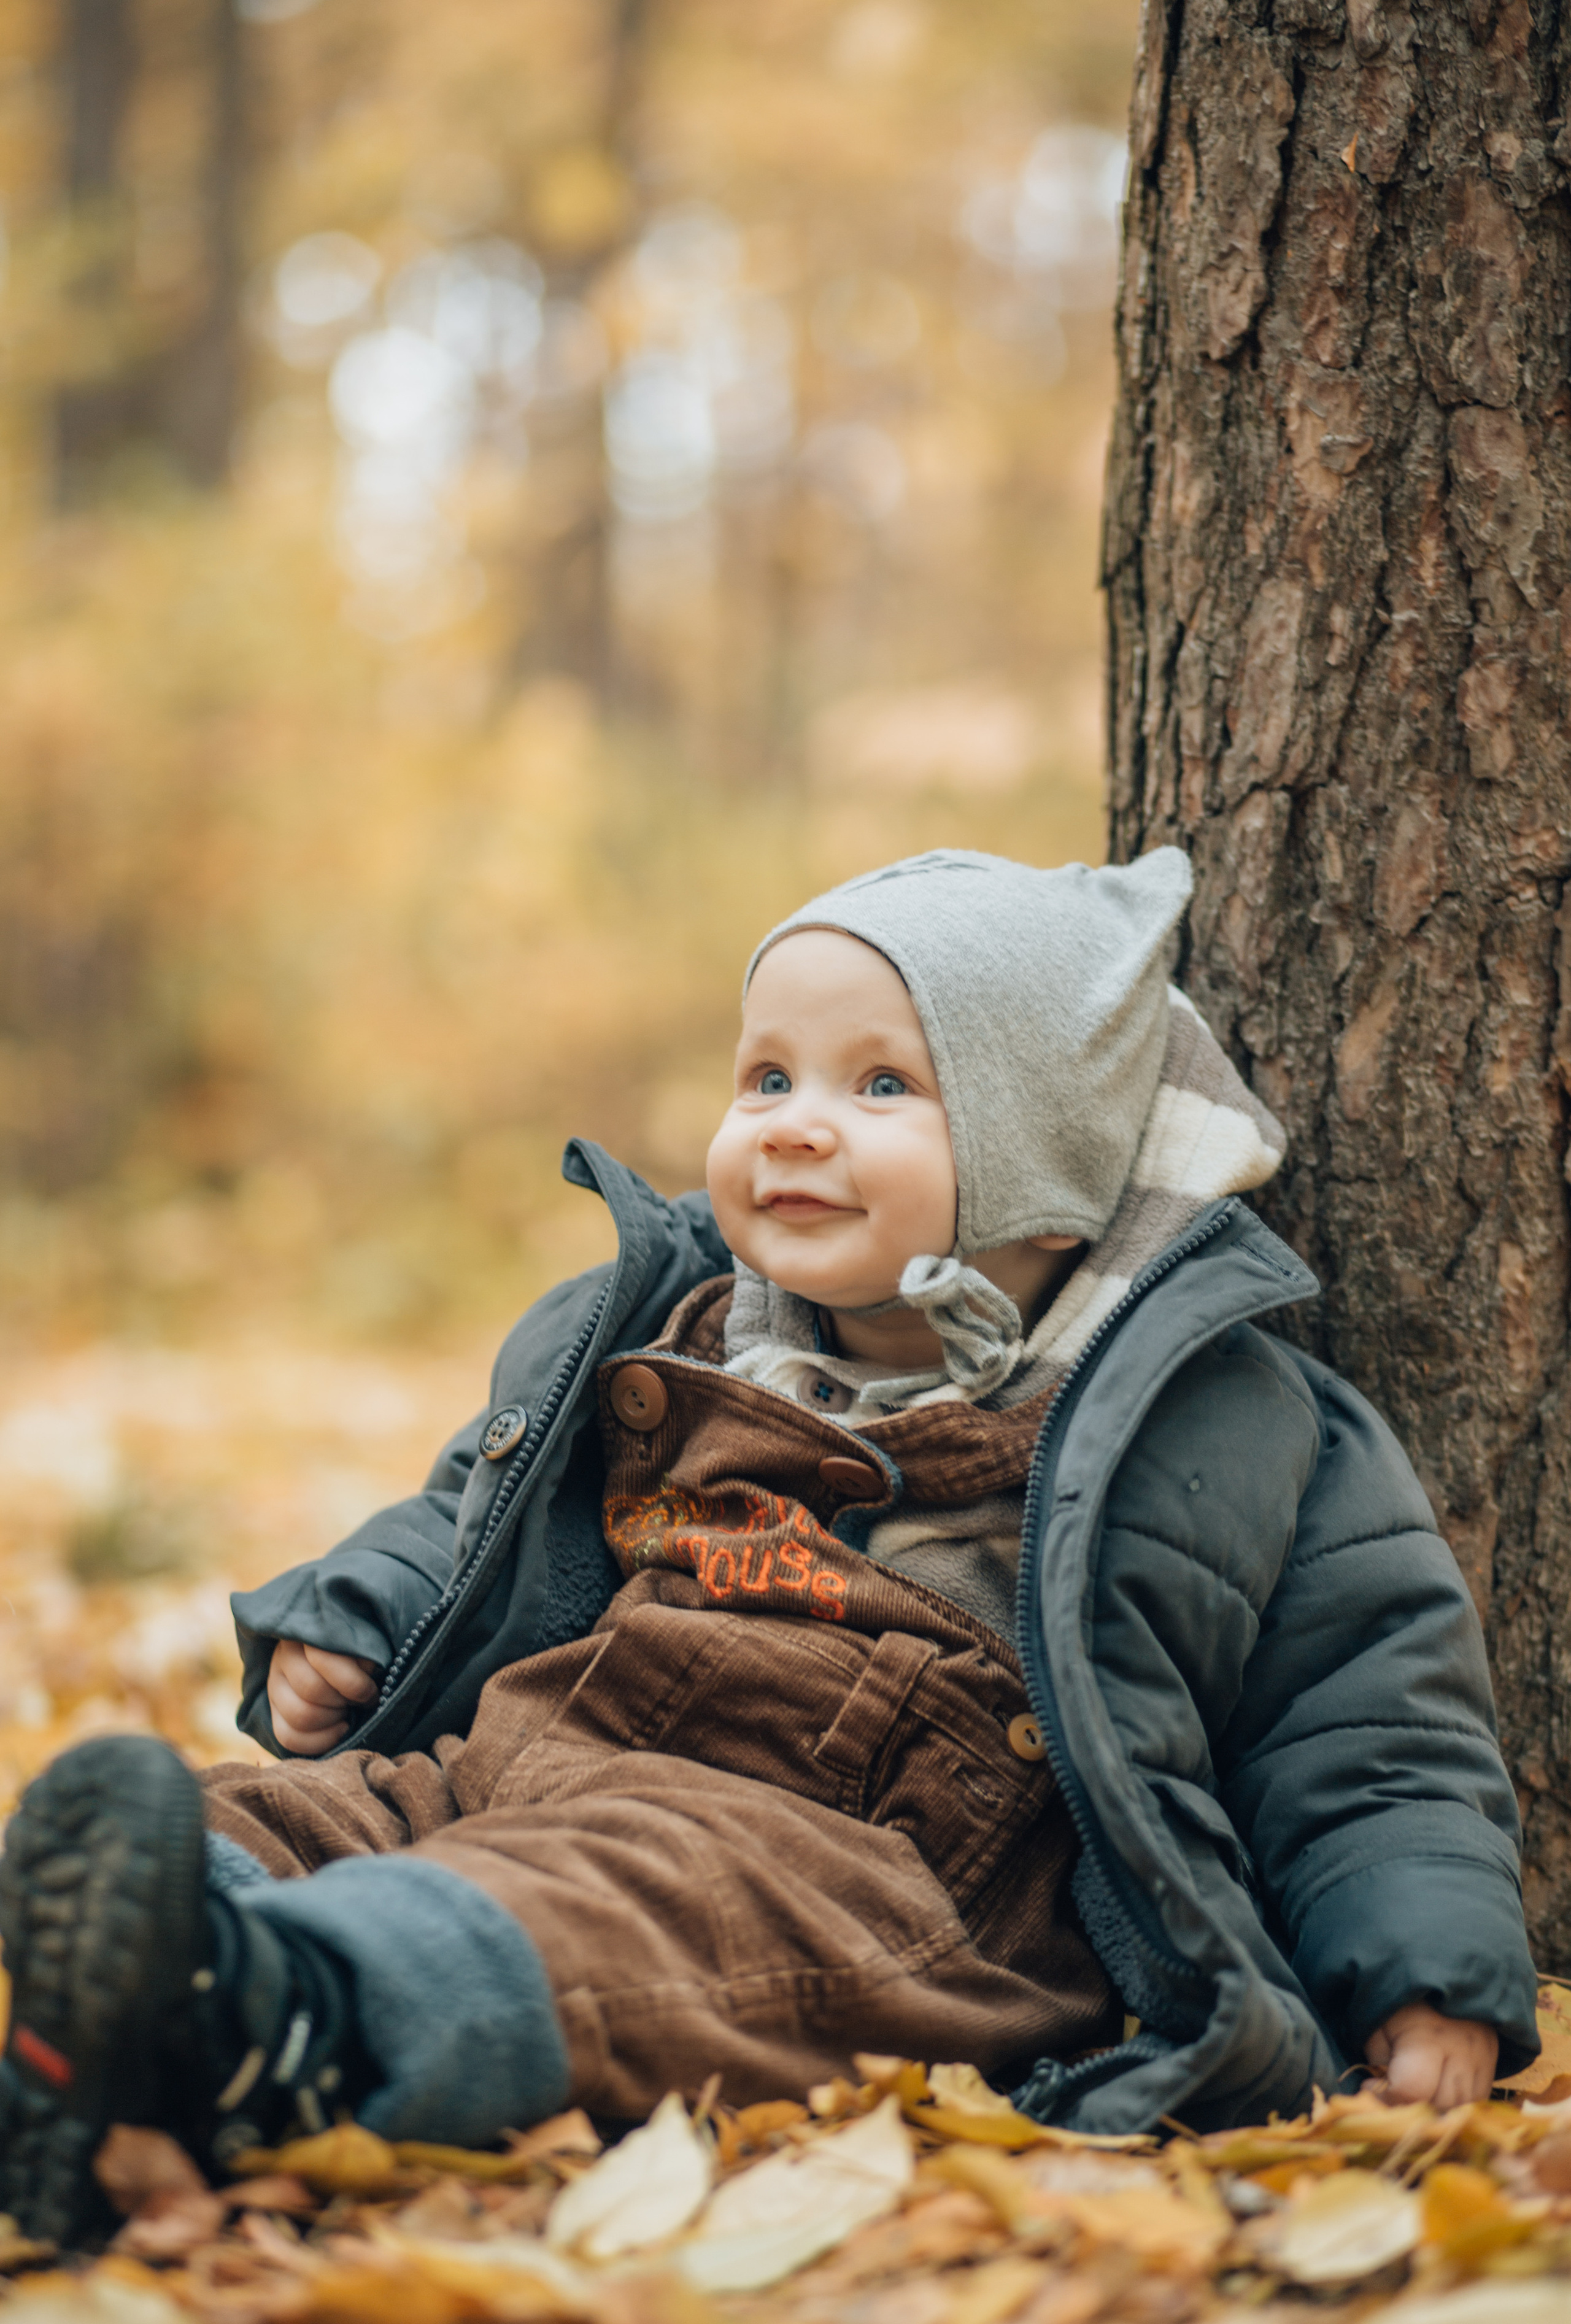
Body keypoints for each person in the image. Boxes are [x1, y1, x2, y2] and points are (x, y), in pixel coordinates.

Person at [0, 849, 1538, 2247]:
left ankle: (280, 2027)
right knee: (295, 1815)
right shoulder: (678, 1339)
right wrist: (356, 1623)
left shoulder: (1216, 1415)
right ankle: (105, 2000)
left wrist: (1420, 1967)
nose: (795, 1122)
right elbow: (478, 1525)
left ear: (1042, 1148)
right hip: (543, 1746)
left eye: (881, 1088)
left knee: (606, 1918)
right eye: (766, 1076)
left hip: (880, 1862)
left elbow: (1373, 1721)